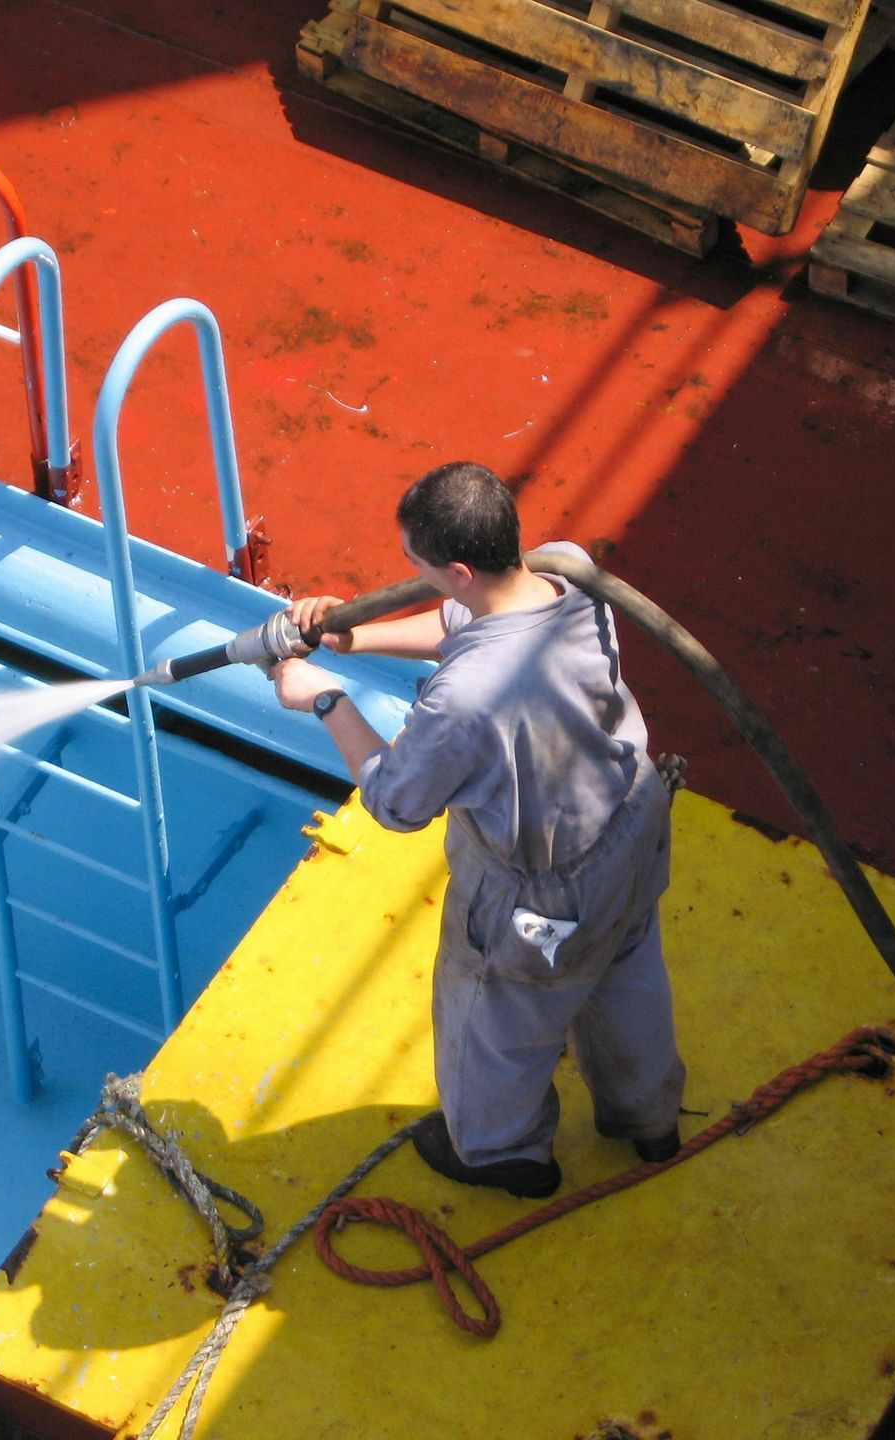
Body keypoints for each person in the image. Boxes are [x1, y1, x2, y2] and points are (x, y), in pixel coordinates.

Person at [271, 461, 686, 1199]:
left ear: (458, 570)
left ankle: (502, 1155)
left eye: (417, 563)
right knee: (626, 972)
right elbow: (458, 622)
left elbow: (396, 803)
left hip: (546, 890)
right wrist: (354, 641)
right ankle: (649, 1119)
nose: (414, 574)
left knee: (494, 1021)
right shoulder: (566, 570)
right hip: (630, 818)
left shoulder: (464, 699)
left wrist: (326, 698)